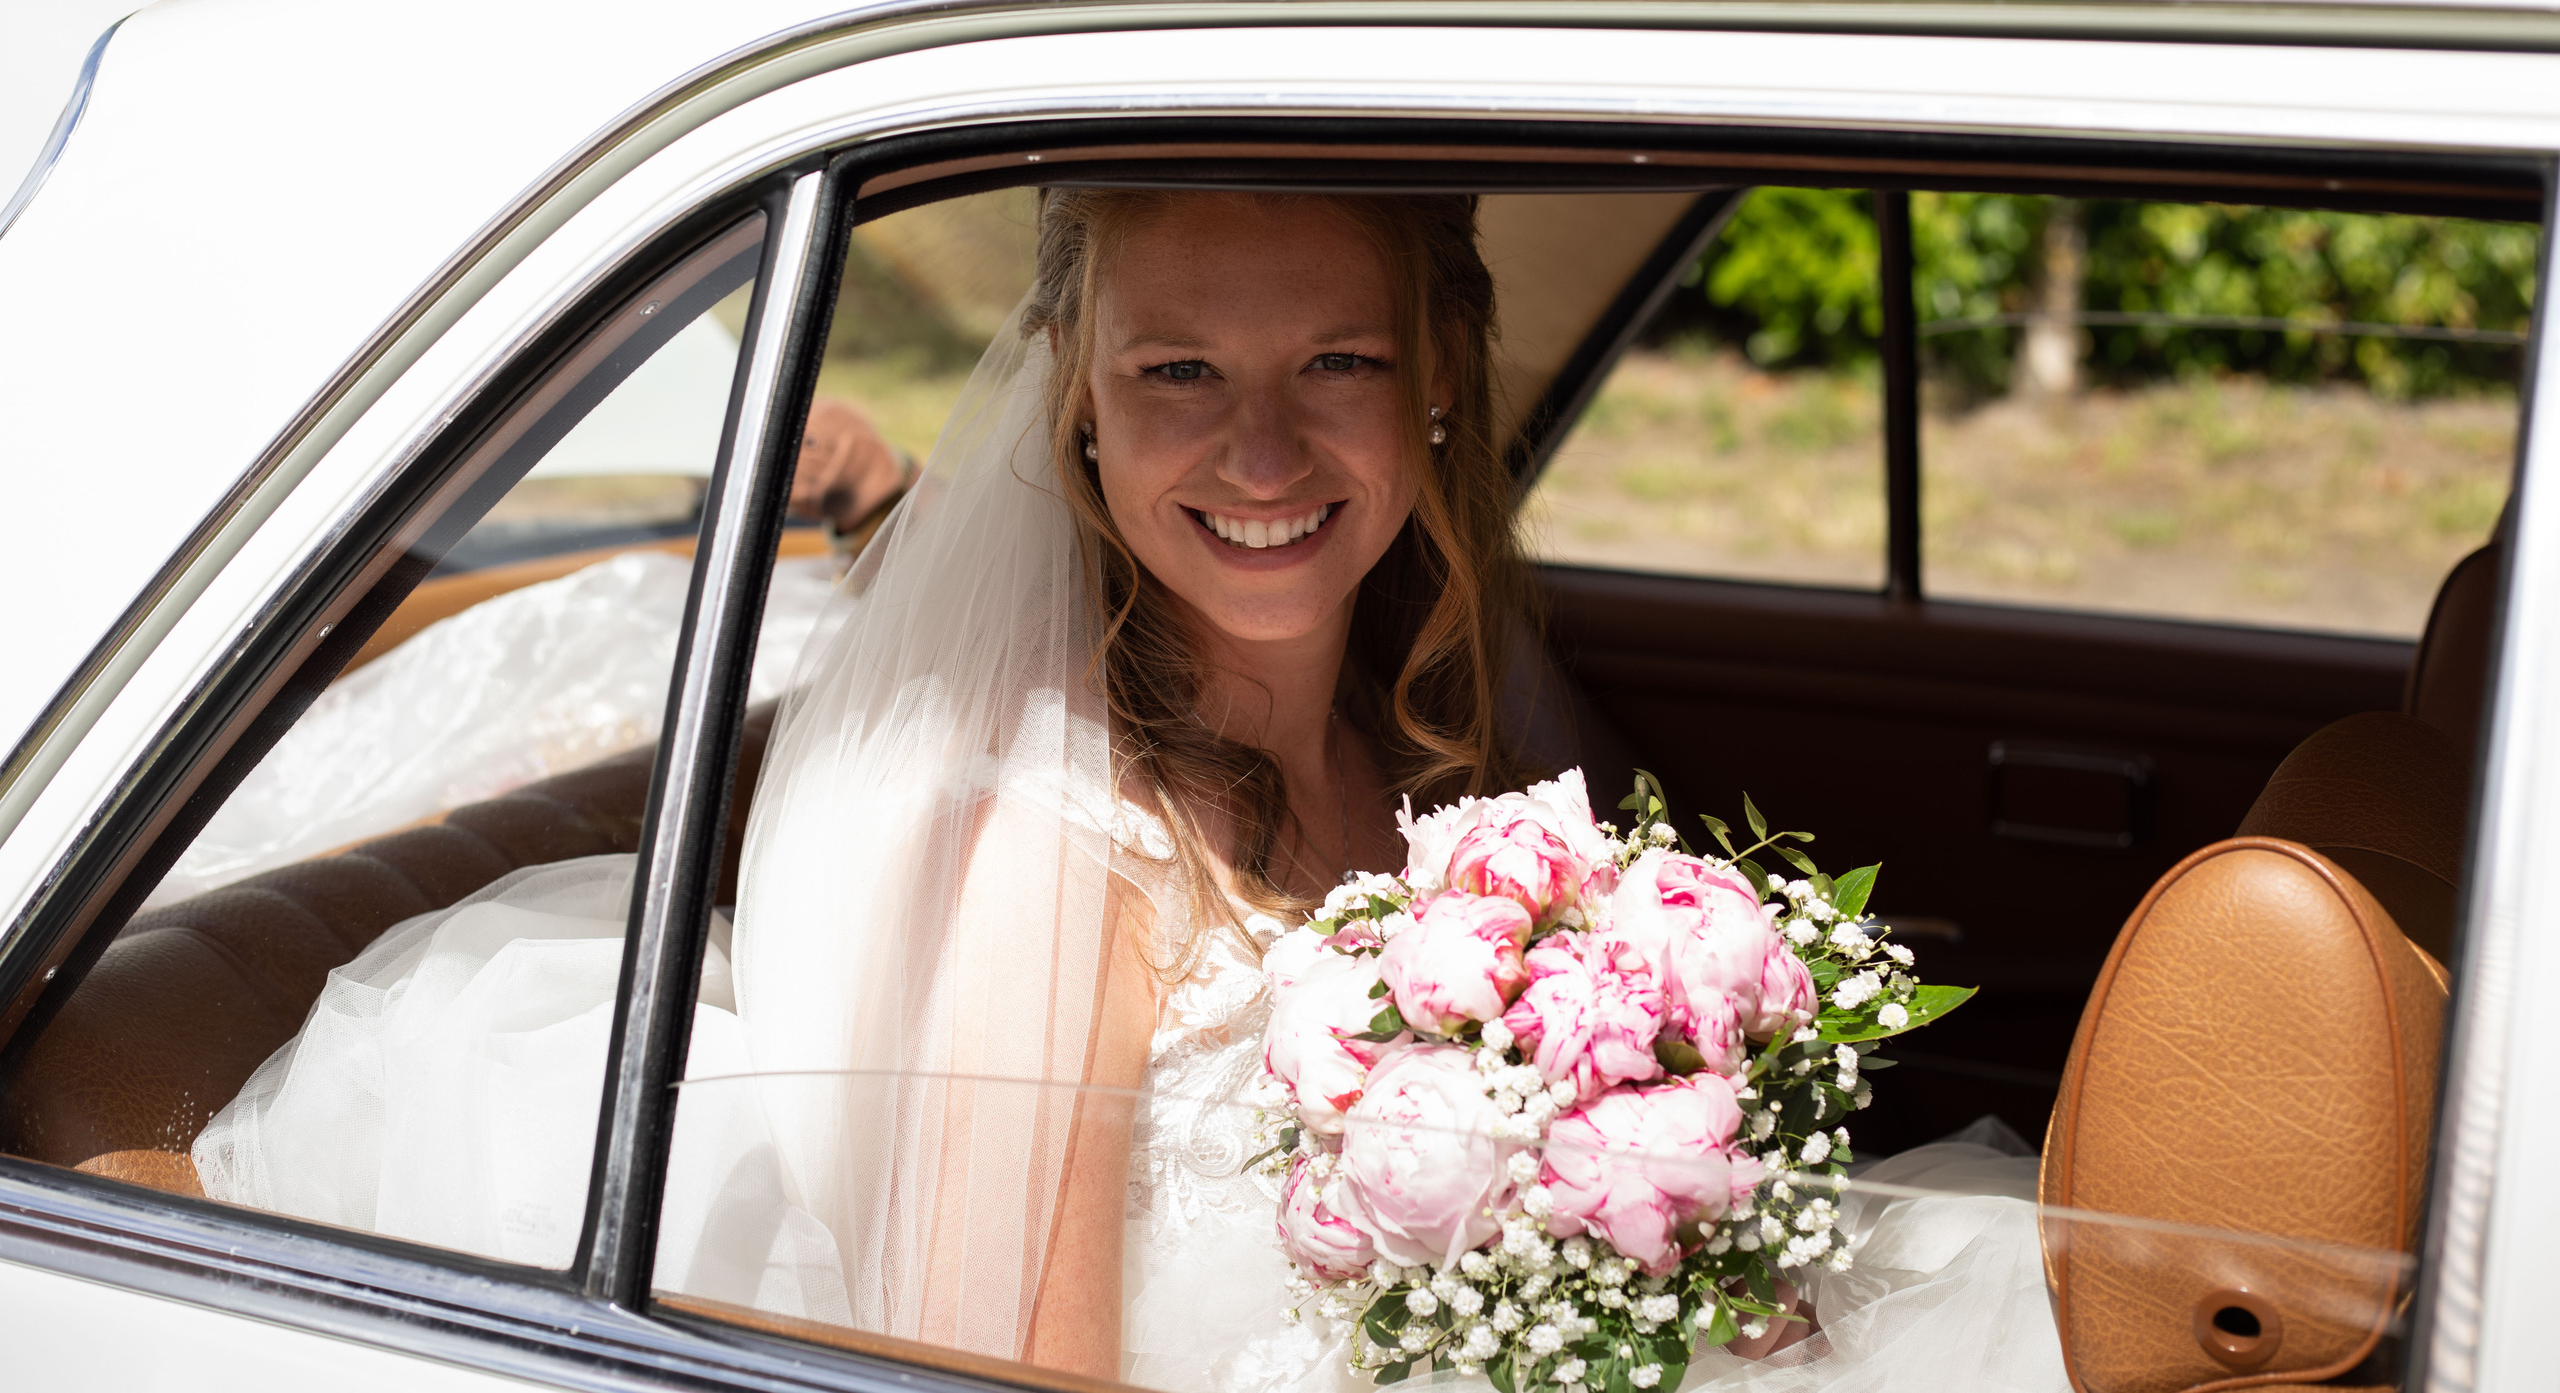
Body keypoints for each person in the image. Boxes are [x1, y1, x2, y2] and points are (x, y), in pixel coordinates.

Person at [195, 190, 2063, 1392]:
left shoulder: (1423, 734)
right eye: (1178, 370)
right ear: (1075, 402)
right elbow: (998, 1375)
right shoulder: (1057, 850)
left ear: (1434, 384)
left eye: (1339, 360)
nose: (1262, 450)